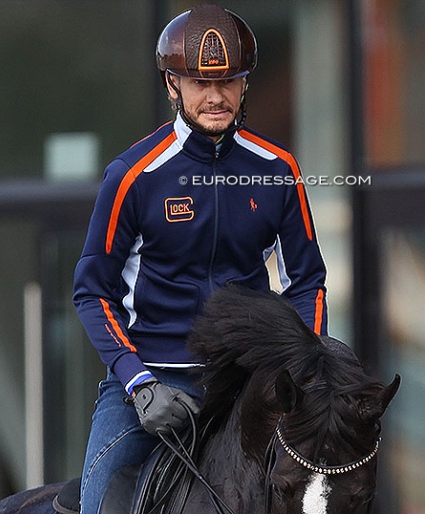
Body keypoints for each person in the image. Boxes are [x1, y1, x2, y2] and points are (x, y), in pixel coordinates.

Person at [73, 4, 328, 513]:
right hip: (149, 384)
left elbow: (307, 281)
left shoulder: (279, 169)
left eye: (229, 80)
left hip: (248, 381)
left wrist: (304, 362)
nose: (215, 96)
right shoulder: (131, 176)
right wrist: (139, 384)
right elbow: (91, 291)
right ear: (172, 85)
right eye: (198, 82)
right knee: (97, 502)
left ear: (245, 83)